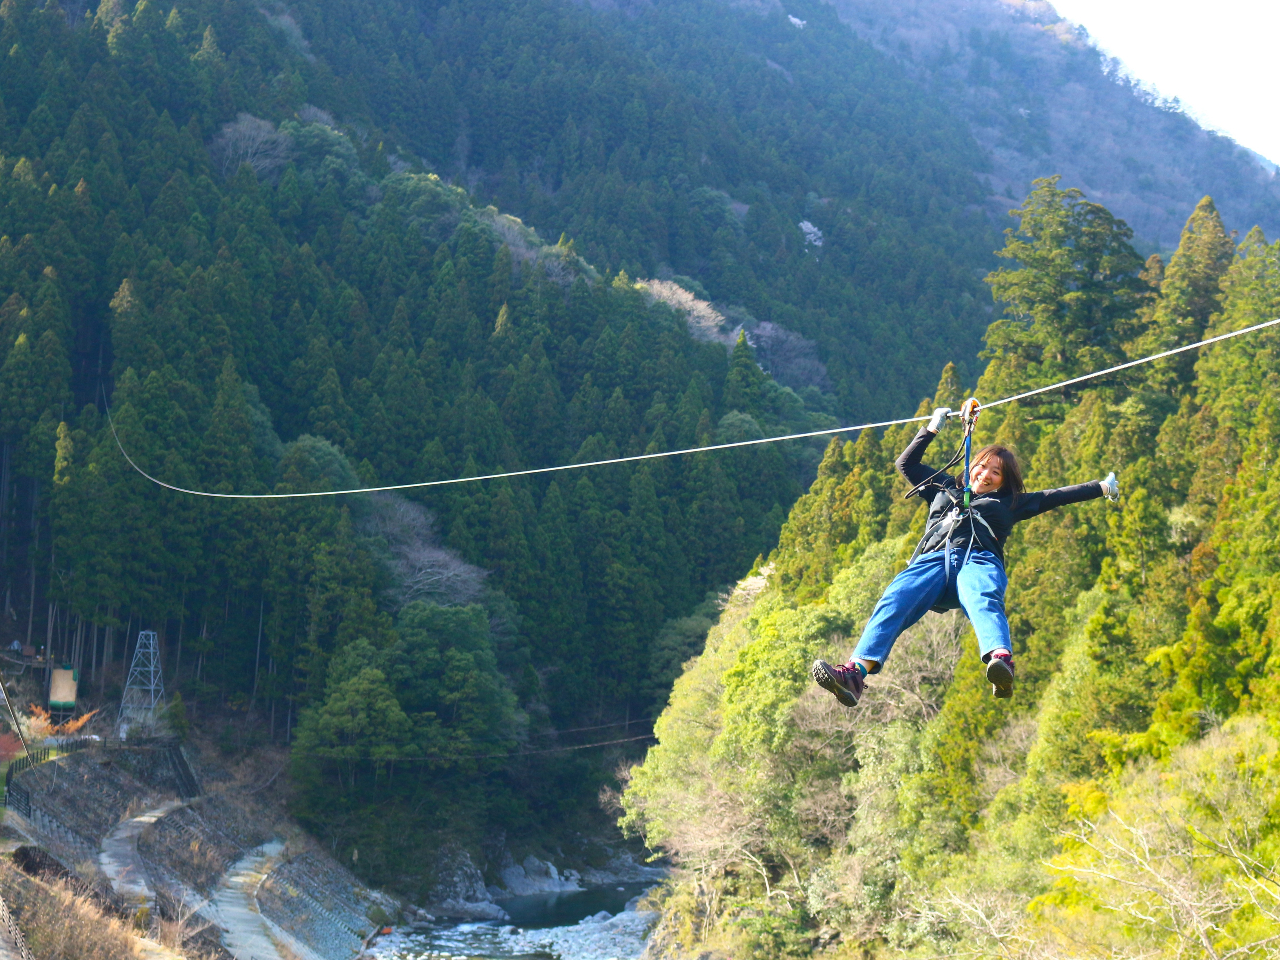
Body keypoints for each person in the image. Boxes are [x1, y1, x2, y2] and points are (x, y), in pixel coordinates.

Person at [812, 401, 1118, 704]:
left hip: (979, 560)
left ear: (1005, 481)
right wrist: (932, 429)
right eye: (982, 466)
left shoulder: (1012, 502)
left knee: (981, 596)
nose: (985, 475)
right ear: (972, 466)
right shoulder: (942, 487)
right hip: (933, 561)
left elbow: (1059, 496)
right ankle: (854, 674)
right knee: (896, 597)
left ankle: (1000, 660)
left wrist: (1103, 488)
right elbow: (906, 464)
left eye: (995, 473)